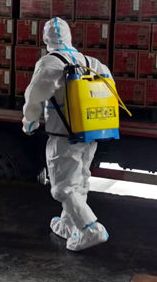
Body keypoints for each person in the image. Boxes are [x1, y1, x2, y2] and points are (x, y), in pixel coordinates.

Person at [21, 17, 111, 252]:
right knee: (79, 181)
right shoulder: (90, 61)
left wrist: (29, 122)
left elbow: (34, 95)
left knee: (62, 188)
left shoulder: (50, 63)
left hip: (63, 135)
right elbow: (108, 87)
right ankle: (68, 224)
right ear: (70, 36)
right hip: (90, 132)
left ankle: (90, 229)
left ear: (45, 39)